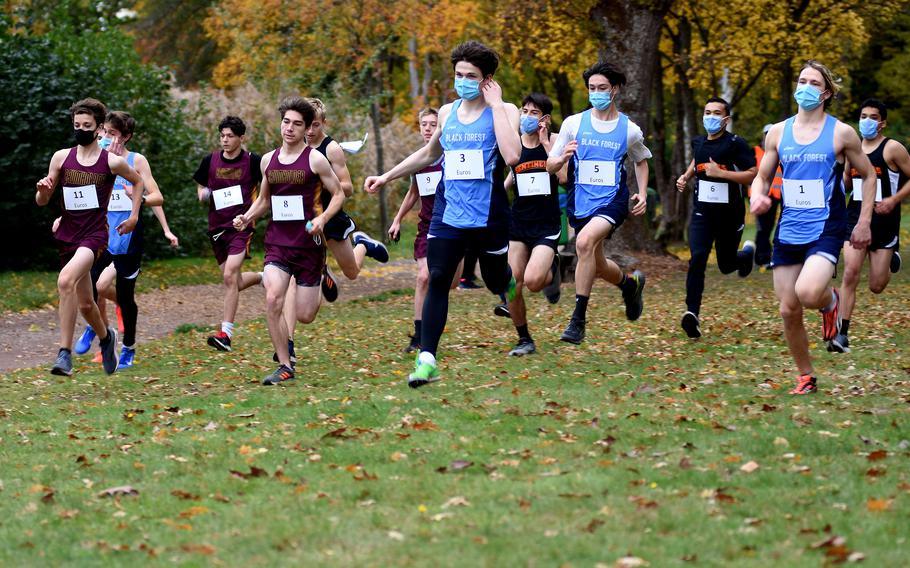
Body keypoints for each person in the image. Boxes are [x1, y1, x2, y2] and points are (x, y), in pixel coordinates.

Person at [365, 40, 521, 387]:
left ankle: (505, 280)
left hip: (489, 216)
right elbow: (428, 154)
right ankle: (427, 360)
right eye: (458, 74)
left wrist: (495, 106)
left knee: (496, 280)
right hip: (448, 214)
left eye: (471, 76)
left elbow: (512, 156)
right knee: (437, 278)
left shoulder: (505, 110)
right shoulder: (448, 113)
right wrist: (388, 175)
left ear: (487, 80)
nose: (462, 81)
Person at [751, 60, 875, 395]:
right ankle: (806, 376)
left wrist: (863, 221)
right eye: (802, 80)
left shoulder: (841, 132)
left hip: (826, 227)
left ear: (826, 92)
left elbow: (870, 174)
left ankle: (830, 302)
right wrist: (757, 198)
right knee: (787, 308)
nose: (805, 87)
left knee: (807, 293)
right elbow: (762, 177)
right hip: (789, 228)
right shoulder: (777, 131)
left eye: (813, 83)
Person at [233, 96, 345, 385]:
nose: (290, 128)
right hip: (278, 243)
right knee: (273, 299)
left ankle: (322, 273)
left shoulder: (316, 159)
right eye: (286, 122)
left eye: (297, 124)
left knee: (306, 314)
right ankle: (285, 364)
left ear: (307, 128)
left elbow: (340, 193)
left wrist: (322, 220)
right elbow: (265, 201)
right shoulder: (269, 160)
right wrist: (247, 216)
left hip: (309, 246)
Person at [276, 98, 390, 365]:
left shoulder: (332, 149)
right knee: (292, 280)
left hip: (331, 218)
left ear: (322, 124)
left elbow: (347, 188)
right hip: (303, 222)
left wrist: (321, 180)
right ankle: (289, 344)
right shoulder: (294, 147)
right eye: (307, 125)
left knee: (351, 272)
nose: (310, 131)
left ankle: (362, 243)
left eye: (315, 125)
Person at [36, 98, 144, 376]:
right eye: (76, 125)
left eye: (87, 125)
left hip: (95, 235)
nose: (81, 129)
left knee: (65, 281)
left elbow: (138, 181)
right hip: (68, 235)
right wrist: (44, 190)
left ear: (98, 129)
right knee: (86, 303)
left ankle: (64, 354)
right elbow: (41, 200)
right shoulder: (61, 158)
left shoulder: (111, 161)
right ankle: (107, 339)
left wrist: (133, 216)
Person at [546, 61, 651, 344]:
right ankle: (630, 286)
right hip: (580, 200)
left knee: (583, 244)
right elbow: (550, 164)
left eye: (602, 88)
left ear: (614, 90)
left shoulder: (629, 129)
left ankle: (577, 321)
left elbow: (641, 160)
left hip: (612, 200)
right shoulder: (574, 124)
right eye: (592, 88)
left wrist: (641, 192)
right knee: (596, 260)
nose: (596, 93)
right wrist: (562, 157)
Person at [71, 111, 170, 368]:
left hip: (127, 240)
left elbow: (158, 196)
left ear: (126, 137)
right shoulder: (96, 159)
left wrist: (137, 199)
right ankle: (96, 327)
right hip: (100, 236)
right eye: (103, 131)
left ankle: (129, 347)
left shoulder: (137, 162)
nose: (105, 137)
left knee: (126, 298)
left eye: (112, 134)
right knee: (89, 283)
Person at [830, 98, 910, 352]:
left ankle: (891, 258)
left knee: (876, 286)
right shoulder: (852, 150)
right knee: (850, 273)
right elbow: (844, 182)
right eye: (863, 116)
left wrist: (894, 199)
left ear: (882, 123)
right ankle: (842, 334)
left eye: (872, 117)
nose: (866, 121)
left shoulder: (892, 149)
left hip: (884, 222)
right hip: (854, 219)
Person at [675, 97, 757, 338]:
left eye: (716, 113)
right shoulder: (698, 142)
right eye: (707, 112)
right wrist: (686, 176)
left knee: (725, 264)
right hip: (702, 212)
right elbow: (697, 159)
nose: (710, 117)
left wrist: (722, 174)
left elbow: (752, 174)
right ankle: (692, 314)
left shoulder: (735, 144)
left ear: (726, 119)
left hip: (730, 215)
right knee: (697, 258)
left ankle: (745, 256)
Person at [388, 108, 464, 353]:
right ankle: (419, 336)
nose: (428, 128)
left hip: (452, 225)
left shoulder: (450, 155)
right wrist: (397, 219)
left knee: (448, 283)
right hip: (426, 227)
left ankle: (431, 324)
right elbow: (414, 193)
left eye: (433, 124)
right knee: (423, 277)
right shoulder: (419, 160)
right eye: (424, 124)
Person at [193, 116, 264, 352]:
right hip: (216, 228)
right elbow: (201, 186)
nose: (225, 140)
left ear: (241, 138)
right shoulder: (210, 160)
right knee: (232, 280)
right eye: (222, 135)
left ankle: (226, 334)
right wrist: (203, 194)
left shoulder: (253, 162)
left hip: (241, 227)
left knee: (231, 274)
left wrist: (251, 216)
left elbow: (267, 192)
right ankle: (262, 278)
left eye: (230, 136)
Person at [504, 93, 566, 356]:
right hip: (518, 222)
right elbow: (511, 175)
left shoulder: (554, 142)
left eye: (533, 112)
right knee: (511, 282)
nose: (527, 116)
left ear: (544, 119)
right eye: (524, 111)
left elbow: (564, 178)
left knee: (532, 282)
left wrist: (546, 144)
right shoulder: (514, 145)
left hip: (546, 224)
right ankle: (524, 339)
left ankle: (553, 268)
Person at [751, 124, 783, 268]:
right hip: (761, 197)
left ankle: (770, 256)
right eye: (766, 133)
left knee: (775, 227)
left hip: (778, 195)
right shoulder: (755, 152)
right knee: (763, 228)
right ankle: (761, 258)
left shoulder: (782, 151)